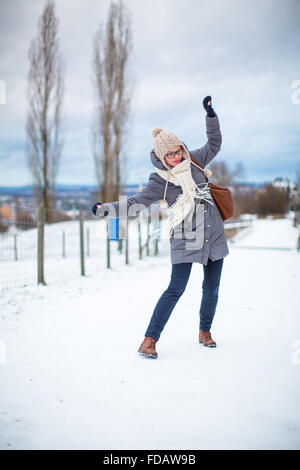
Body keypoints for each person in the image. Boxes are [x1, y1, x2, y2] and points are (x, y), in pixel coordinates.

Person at [92, 96, 229, 359]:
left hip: (212, 233)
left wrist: (210, 116)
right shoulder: (159, 181)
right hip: (186, 237)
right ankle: (149, 340)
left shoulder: (196, 160)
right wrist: (105, 209)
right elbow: (136, 203)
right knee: (175, 288)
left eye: (177, 150)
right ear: (161, 156)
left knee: (211, 288)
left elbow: (215, 143)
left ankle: (205, 331)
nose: (176, 157)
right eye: (170, 154)